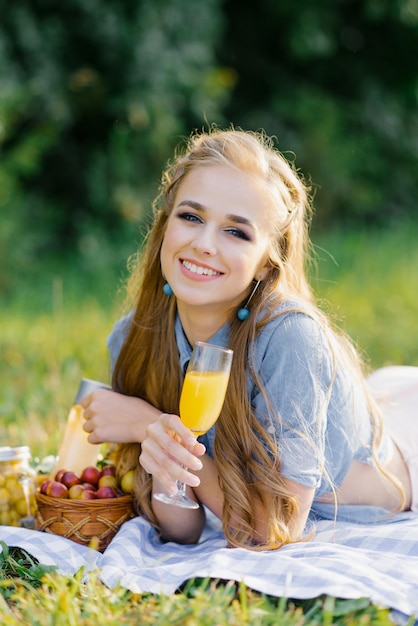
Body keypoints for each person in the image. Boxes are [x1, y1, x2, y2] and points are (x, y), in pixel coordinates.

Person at [81, 127, 416, 550]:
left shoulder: (292, 339)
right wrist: (163, 447)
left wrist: (149, 423)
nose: (203, 244)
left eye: (236, 232)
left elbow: (270, 528)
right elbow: (181, 528)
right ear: (166, 224)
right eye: (191, 217)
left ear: (264, 264)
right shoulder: (133, 337)